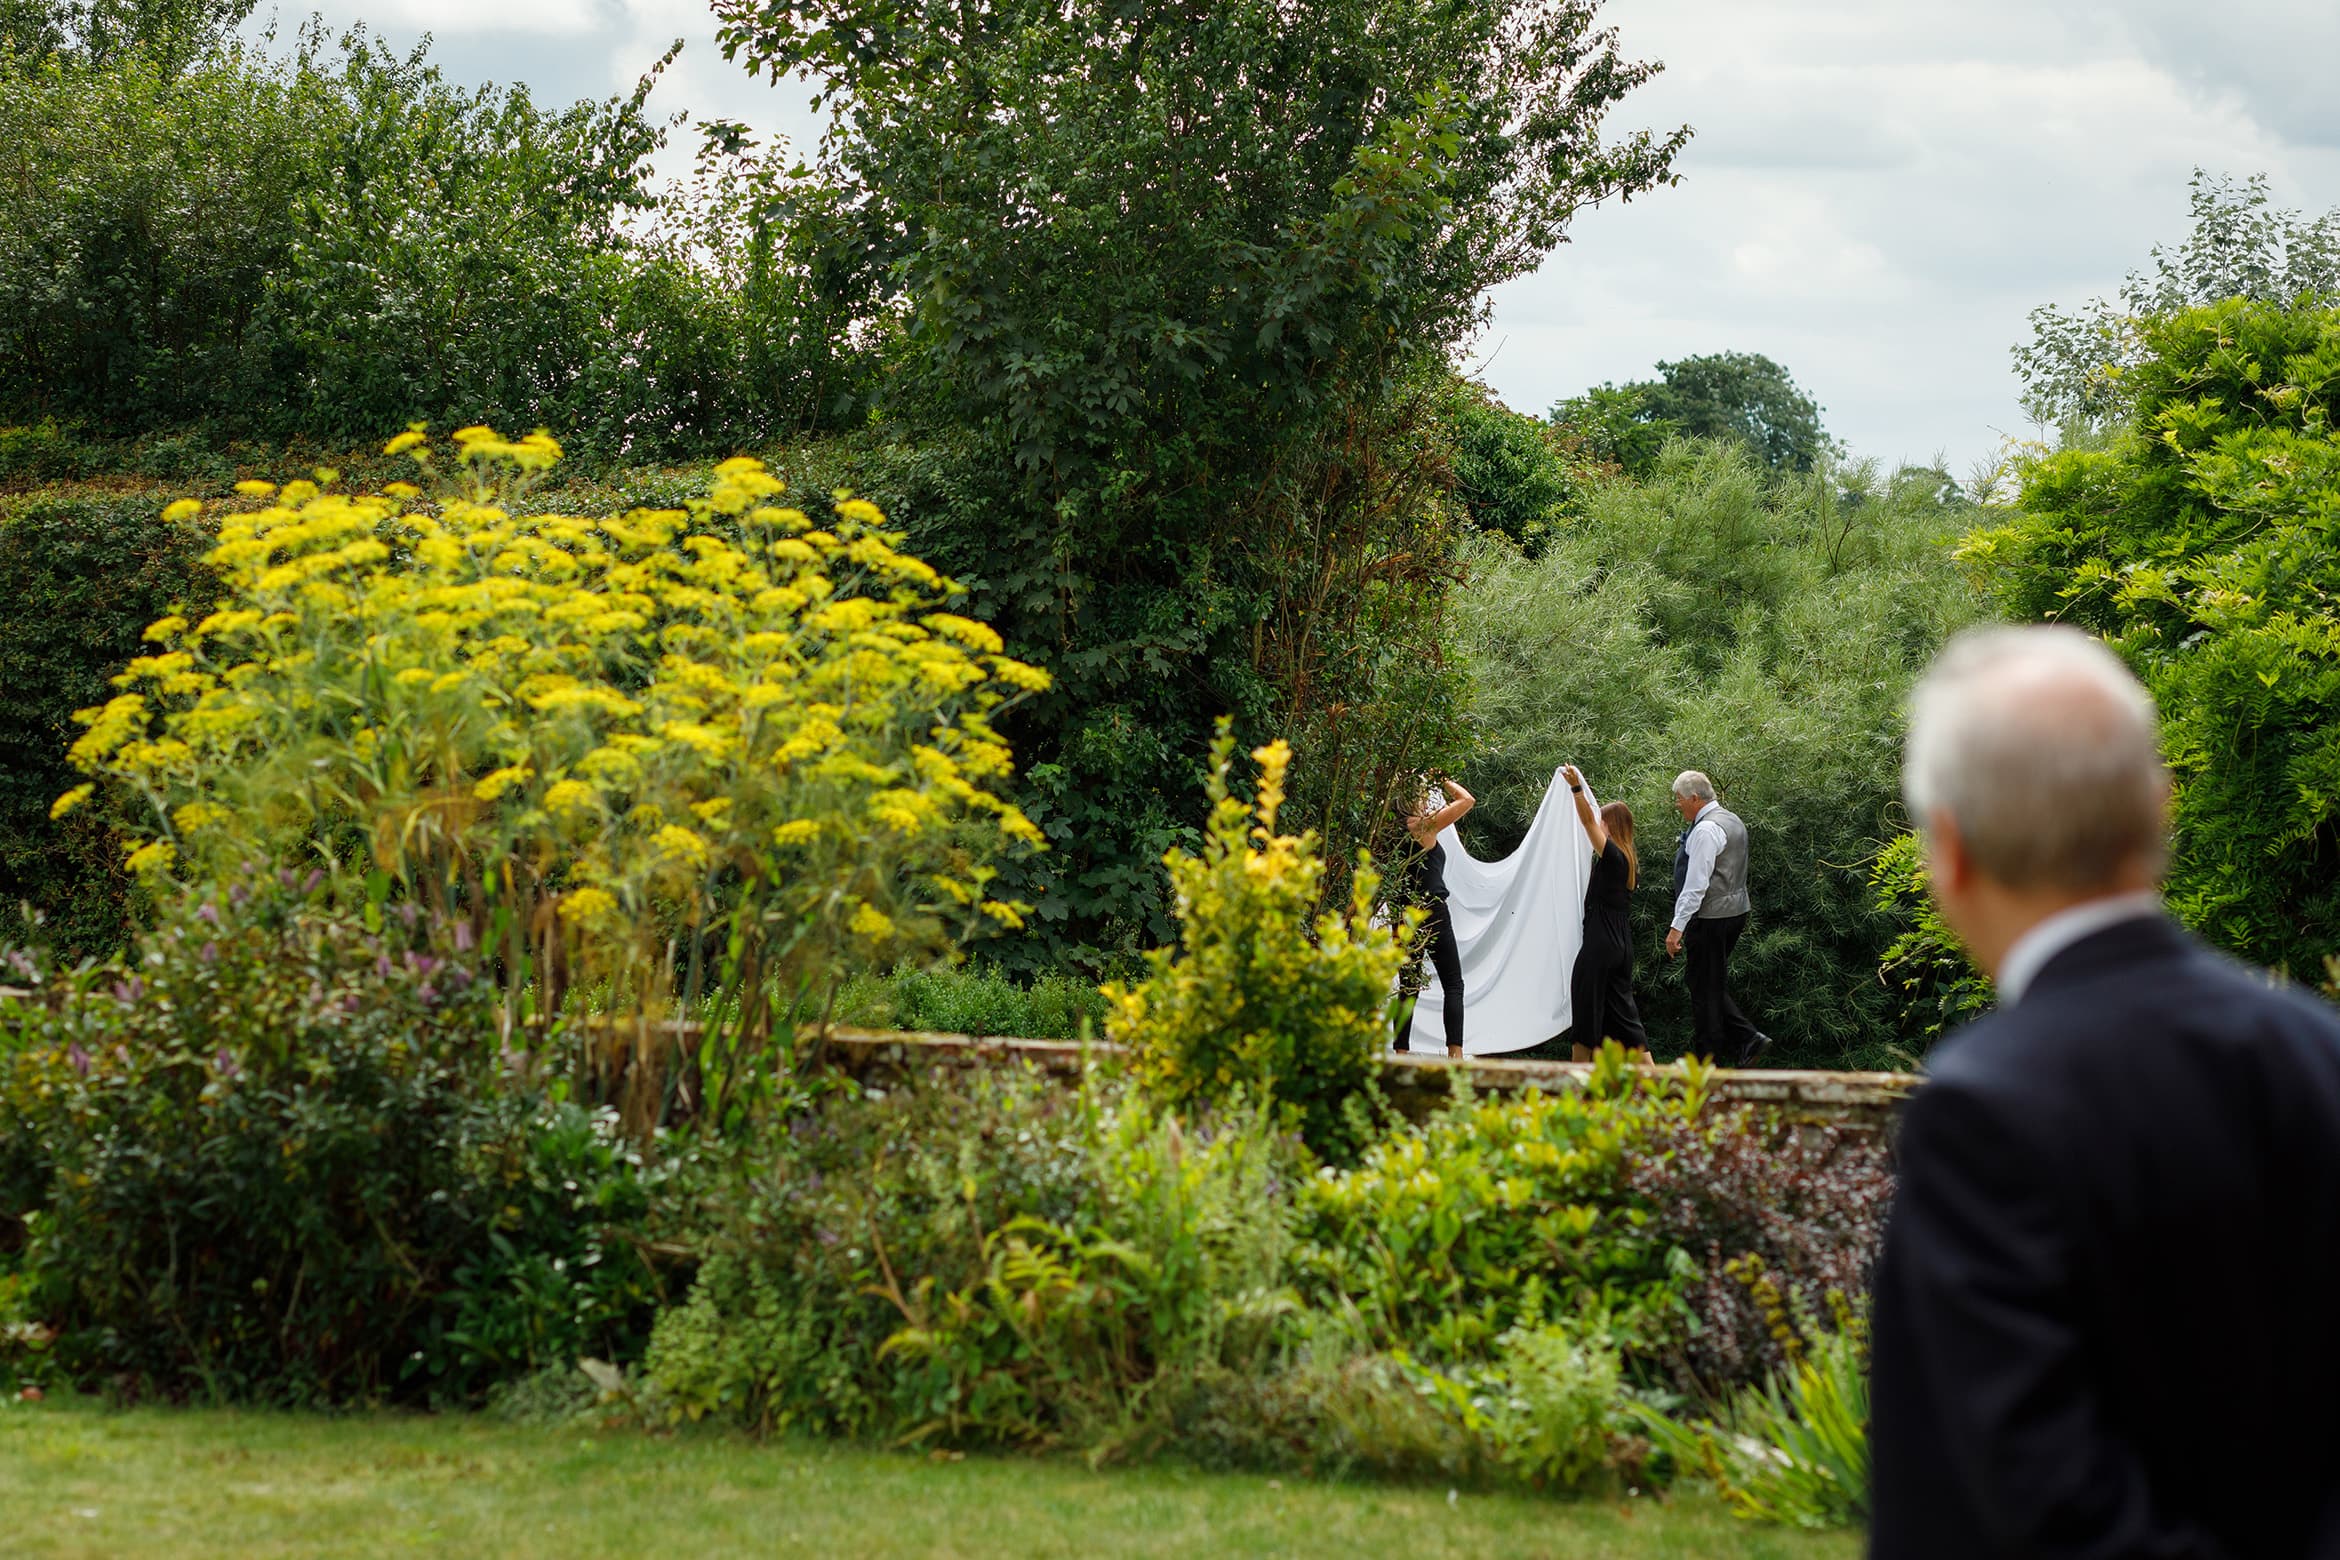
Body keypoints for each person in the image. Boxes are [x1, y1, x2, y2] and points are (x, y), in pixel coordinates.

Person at [1867, 625, 2340, 1558]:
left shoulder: (1980, 1112)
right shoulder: (2319, 1055)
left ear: (1949, 852)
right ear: (2157, 811)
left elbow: (2030, 1500)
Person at [1664, 770, 1772, 1065]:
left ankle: (1731, 1047)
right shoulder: (1731, 819)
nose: (1678, 805)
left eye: (1680, 800)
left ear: (1695, 798)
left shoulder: (1705, 830)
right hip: (1736, 911)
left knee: (1704, 987)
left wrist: (1676, 928)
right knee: (1706, 982)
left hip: (1712, 917)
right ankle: (1733, 1046)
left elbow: (1696, 885)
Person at [1559, 764, 1653, 1064]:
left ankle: (1576, 1087)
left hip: (1600, 945)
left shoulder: (1612, 856)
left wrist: (1576, 788)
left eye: (1603, 821)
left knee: (1586, 1017)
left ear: (1611, 826)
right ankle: (1661, 1083)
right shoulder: (1629, 863)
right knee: (1626, 1020)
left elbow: (1586, 822)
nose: (1598, 825)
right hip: (1621, 947)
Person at [1400, 775, 1476, 1058]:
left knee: (1408, 984)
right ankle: (1455, 1053)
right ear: (1415, 799)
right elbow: (1467, 800)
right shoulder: (1421, 826)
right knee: (1453, 983)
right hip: (1431, 910)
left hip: (1404, 912)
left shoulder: (1388, 831)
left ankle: (1400, 1053)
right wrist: (1440, 777)